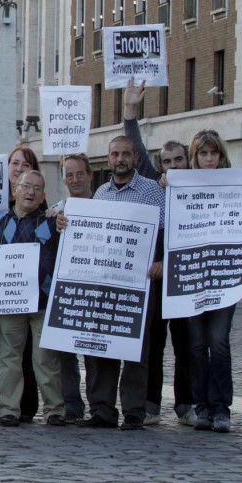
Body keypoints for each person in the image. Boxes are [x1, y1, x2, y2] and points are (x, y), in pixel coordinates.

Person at [178, 129, 242, 433]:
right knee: (196, 344)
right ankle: (201, 405)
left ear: (220, 155)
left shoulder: (236, 183)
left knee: (218, 342)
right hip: (192, 275)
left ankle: (221, 408)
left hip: (223, 276)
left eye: (212, 153)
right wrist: (169, 183)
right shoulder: (182, 185)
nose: (208, 159)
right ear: (195, 157)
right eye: (202, 154)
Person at [74, 135, 165, 430]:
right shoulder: (101, 193)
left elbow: (166, 230)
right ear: (109, 158)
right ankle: (102, 409)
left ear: (135, 158)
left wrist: (161, 260)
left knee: (136, 347)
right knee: (101, 345)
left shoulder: (153, 191)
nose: (120, 159)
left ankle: (134, 410)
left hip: (139, 282)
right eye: (115, 154)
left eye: (126, 154)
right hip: (105, 283)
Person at [122, 80, 195, 427]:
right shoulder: (153, 182)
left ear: (188, 162)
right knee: (152, 342)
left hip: (184, 278)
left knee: (186, 345)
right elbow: (134, 145)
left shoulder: (201, 189)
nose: (173, 165)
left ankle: (186, 405)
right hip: (153, 278)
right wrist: (130, 112)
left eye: (179, 159)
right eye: (167, 161)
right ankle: (151, 403)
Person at [0, 170, 66, 426]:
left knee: (46, 358)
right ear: (15, 190)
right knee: (9, 357)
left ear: (44, 195)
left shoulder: (51, 223)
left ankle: (54, 410)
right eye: (26, 186)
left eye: (37, 188)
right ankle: (6, 410)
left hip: (43, 301)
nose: (31, 192)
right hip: (11, 301)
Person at [0, 145, 39, 424]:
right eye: (15, 163)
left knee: (26, 350)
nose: (19, 169)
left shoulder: (40, 206)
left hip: (30, 292)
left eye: (26, 165)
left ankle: (26, 405)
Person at [51, 153, 93, 423]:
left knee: (95, 354)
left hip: (96, 291)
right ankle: (71, 405)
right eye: (69, 175)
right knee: (65, 354)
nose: (75, 179)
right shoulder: (56, 210)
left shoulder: (106, 206)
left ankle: (101, 405)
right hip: (67, 291)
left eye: (80, 174)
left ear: (90, 175)